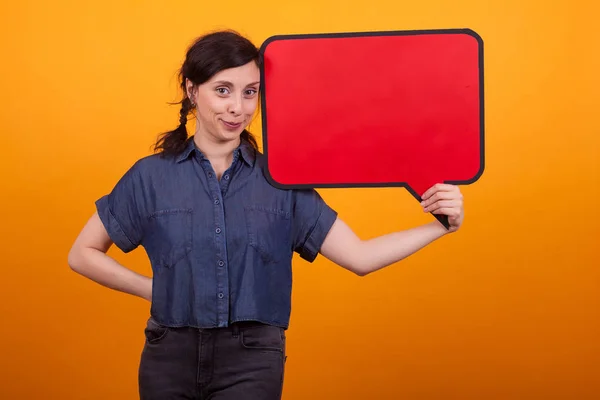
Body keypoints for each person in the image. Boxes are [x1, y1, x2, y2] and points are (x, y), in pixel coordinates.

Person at [67, 29, 464, 400]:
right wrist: (153, 289)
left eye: (250, 92)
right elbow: (82, 253)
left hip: (252, 359)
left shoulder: (283, 179)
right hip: (169, 354)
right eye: (222, 90)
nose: (237, 108)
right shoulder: (149, 176)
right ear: (192, 90)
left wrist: (439, 226)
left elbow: (360, 257)